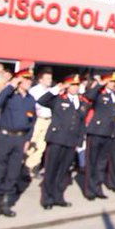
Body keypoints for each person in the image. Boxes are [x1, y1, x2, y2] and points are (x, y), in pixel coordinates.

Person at [0, 69, 37, 219]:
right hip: (5, 136)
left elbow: (32, 121)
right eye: (25, 79)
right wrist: (10, 86)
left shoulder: (30, 99)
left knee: (13, 171)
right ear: (19, 81)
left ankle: (6, 204)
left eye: (30, 80)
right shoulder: (9, 95)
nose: (28, 82)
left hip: (20, 139)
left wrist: (28, 139)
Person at [38, 75, 84, 208]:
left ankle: (58, 196)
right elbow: (42, 101)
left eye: (77, 85)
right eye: (72, 85)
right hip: (57, 139)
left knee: (64, 170)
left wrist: (79, 141)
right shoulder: (58, 99)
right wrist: (56, 89)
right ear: (67, 86)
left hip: (71, 141)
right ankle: (47, 198)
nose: (75, 88)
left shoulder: (81, 101)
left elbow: (81, 123)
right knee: (51, 169)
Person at [84, 74, 115, 199]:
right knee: (92, 161)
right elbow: (89, 96)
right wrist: (99, 84)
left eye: (114, 82)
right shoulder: (99, 93)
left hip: (108, 132)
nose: (113, 84)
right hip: (96, 131)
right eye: (110, 81)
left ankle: (97, 188)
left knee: (102, 163)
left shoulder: (114, 95)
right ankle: (89, 190)